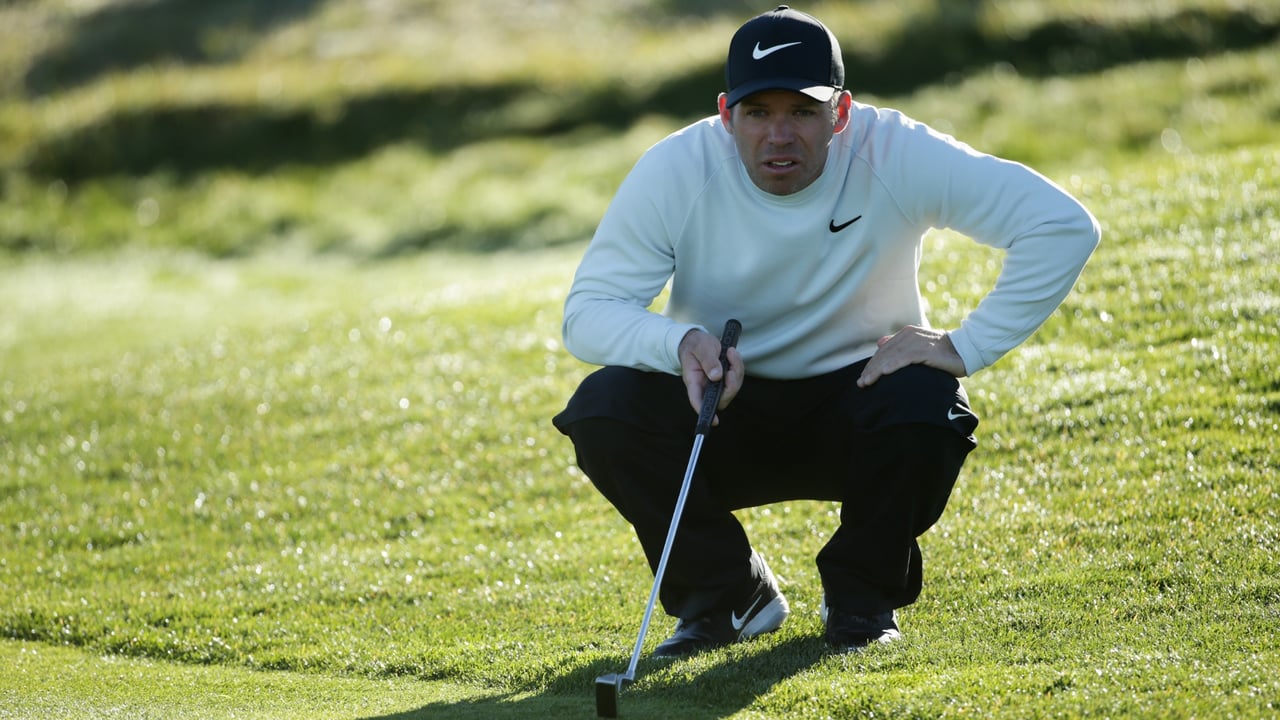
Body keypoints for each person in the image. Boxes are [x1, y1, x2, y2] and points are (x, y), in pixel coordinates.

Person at [553, 5, 1100, 655]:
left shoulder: (895, 150)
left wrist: (964, 346)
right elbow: (588, 312)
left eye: (802, 112)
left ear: (840, 113)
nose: (779, 136)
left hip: (863, 404)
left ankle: (862, 603)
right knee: (604, 409)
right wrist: (679, 344)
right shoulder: (678, 169)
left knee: (926, 401)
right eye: (758, 114)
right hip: (724, 412)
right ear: (727, 114)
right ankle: (726, 596)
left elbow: (1061, 225)